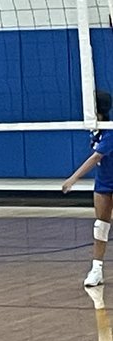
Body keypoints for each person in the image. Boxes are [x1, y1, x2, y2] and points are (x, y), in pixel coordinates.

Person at [62, 89, 113, 287]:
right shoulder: (96, 130)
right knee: (100, 226)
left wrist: (72, 179)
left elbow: (95, 158)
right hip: (103, 184)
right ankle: (97, 270)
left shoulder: (109, 131)